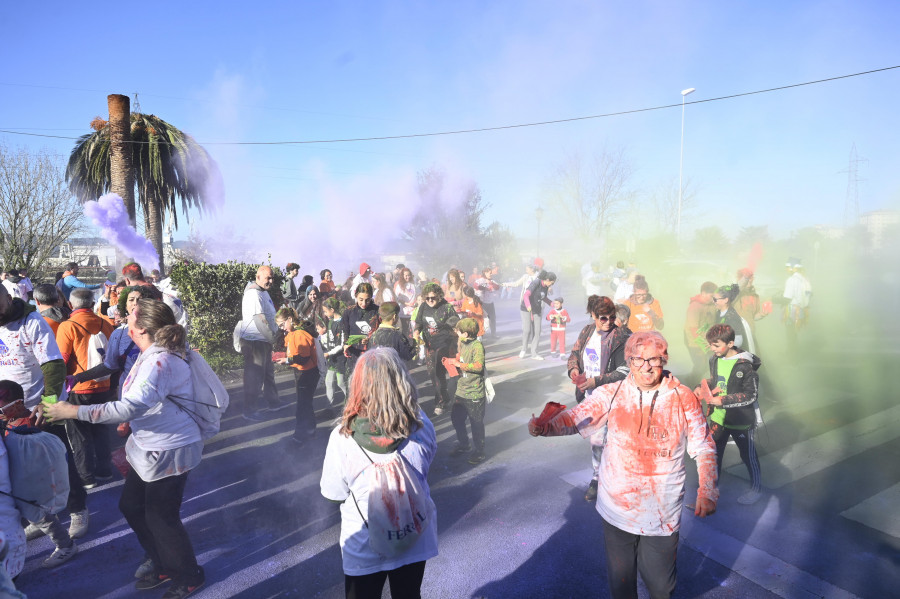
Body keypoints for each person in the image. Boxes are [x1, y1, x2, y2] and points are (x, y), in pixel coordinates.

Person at [530, 331, 718, 599]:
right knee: (621, 585)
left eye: (653, 359)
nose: (646, 367)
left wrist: (707, 490)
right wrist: (545, 427)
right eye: (638, 360)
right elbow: (576, 418)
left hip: (661, 511)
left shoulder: (683, 397)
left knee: (661, 588)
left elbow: (704, 446)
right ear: (628, 361)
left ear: (664, 359)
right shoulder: (613, 391)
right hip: (616, 507)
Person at [45, 299, 206, 598]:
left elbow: (129, 406)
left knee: (161, 516)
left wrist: (73, 412)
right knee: (131, 507)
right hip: (150, 447)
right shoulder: (153, 354)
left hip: (170, 449)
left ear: (142, 329)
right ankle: (161, 563)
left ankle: (188, 574)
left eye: (129, 318)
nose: (123, 321)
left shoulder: (162, 361)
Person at [320, 347, 437, 599]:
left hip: (365, 544)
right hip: (414, 534)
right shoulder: (422, 424)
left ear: (357, 385)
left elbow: (335, 494)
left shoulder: (342, 437)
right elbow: (427, 464)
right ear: (401, 380)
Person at [0, 283, 89, 548]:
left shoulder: (31, 321)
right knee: (22, 469)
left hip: (40, 405)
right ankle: (41, 517)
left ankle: (78, 510)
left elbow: (52, 364)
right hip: (9, 409)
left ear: (8, 297)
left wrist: (46, 402)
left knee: (57, 460)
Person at [0, 379, 75, 571]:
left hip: (30, 486)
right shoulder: (7, 421)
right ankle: (36, 525)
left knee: (42, 516)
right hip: (16, 483)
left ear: (17, 403)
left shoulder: (30, 423)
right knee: (32, 515)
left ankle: (66, 545)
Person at [566, 295, 631, 501]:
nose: (609, 322)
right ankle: (597, 477)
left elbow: (625, 370)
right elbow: (575, 354)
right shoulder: (586, 331)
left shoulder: (622, 336)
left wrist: (597, 381)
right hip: (591, 399)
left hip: (615, 398)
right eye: (603, 318)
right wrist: (574, 370)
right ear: (593, 316)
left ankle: (620, 480)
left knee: (617, 440)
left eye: (612, 317)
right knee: (596, 440)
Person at [56, 287, 117, 489]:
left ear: (71, 305)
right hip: (104, 384)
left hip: (78, 387)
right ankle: (105, 469)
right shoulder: (105, 323)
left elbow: (62, 359)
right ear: (92, 303)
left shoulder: (68, 326)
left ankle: (86, 476)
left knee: (79, 434)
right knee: (101, 428)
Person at [697, 324, 762, 505]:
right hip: (718, 418)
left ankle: (756, 489)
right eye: (711, 345)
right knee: (713, 454)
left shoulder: (745, 366)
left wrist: (724, 400)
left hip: (740, 421)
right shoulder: (715, 359)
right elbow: (716, 380)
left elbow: (751, 395)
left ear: (730, 343)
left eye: (716, 345)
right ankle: (710, 490)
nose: (712, 349)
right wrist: (701, 387)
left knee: (748, 456)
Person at [239, 266, 281, 422]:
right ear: (258, 277)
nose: (270, 281)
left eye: (272, 278)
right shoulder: (254, 294)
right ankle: (249, 410)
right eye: (267, 278)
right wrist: (272, 338)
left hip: (262, 339)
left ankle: (274, 402)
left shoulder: (262, 291)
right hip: (255, 340)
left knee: (268, 372)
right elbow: (260, 320)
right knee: (254, 376)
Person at [275, 308, 321, 444]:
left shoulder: (299, 333)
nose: (282, 328)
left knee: (302, 407)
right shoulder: (292, 333)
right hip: (302, 371)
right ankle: (310, 431)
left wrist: (287, 360)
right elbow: (290, 350)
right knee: (305, 404)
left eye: (282, 324)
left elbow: (304, 357)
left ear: (290, 319)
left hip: (307, 373)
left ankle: (300, 436)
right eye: (279, 326)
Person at [414, 283, 459, 416]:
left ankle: (441, 402)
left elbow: (456, 326)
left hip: (445, 346)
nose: (430, 301)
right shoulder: (423, 306)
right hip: (430, 346)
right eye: (427, 298)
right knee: (433, 375)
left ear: (439, 296)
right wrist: (416, 332)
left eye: (433, 298)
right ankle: (444, 397)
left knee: (440, 373)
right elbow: (419, 323)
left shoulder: (447, 308)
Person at [448, 318, 487, 464]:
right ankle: (464, 444)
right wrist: (453, 361)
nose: (455, 332)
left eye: (457, 331)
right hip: (461, 390)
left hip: (475, 393)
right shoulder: (463, 343)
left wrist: (459, 364)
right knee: (456, 419)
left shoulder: (477, 346)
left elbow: (478, 366)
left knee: (476, 423)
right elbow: (462, 358)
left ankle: (480, 451)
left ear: (465, 333)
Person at [342, 283, 380, 377]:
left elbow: (382, 332)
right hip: (354, 353)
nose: (364, 303)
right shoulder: (349, 311)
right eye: (361, 300)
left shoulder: (377, 311)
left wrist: (370, 338)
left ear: (371, 297)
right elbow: (345, 331)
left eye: (367, 300)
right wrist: (345, 344)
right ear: (356, 296)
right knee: (353, 383)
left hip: (372, 353)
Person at [684, 281, 718, 381]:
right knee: (700, 365)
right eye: (711, 296)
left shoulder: (713, 305)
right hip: (694, 341)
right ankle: (691, 382)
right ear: (703, 293)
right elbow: (693, 330)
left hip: (708, 340)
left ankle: (705, 386)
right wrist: (704, 345)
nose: (713, 299)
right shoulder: (694, 307)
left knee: (711, 364)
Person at [519, 271, 556, 360]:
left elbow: (543, 297)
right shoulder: (536, 282)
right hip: (526, 308)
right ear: (547, 280)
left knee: (537, 331)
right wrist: (528, 306)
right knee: (527, 330)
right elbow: (526, 295)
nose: (552, 285)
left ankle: (534, 353)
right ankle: (524, 349)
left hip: (537, 308)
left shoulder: (546, 287)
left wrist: (551, 303)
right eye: (552, 283)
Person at [319, 297, 348, 407]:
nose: (325, 314)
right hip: (332, 358)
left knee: (341, 382)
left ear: (332, 310)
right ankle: (328, 406)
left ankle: (350, 401)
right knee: (329, 381)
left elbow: (341, 344)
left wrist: (328, 353)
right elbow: (330, 338)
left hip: (340, 358)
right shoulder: (330, 322)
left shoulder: (342, 323)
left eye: (326, 311)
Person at [713, 284, 755, 353]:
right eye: (713, 299)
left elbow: (738, 341)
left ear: (726, 300)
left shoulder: (732, 318)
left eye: (715, 299)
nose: (713, 301)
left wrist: (718, 345)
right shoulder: (718, 313)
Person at [781, 258, 812, 353]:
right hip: (801, 310)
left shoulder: (791, 280)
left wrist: (772, 299)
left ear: (793, 268)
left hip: (792, 311)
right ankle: (793, 354)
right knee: (793, 334)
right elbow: (809, 294)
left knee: (790, 334)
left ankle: (792, 356)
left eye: (788, 267)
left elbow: (787, 298)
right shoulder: (804, 279)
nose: (786, 269)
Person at [473, 267, 500, 338]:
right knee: (482, 319)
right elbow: (476, 286)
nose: (491, 274)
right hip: (482, 303)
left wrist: (491, 284)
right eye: (489, 273)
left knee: (493, 318)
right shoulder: (481, 280)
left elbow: (497, 287)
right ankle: (481, 334)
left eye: (491, 273)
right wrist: (485, 286)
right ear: (485, 273)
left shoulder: (492, 281)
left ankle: (493, 334)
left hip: (490, 302)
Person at [393, 267, 417, 339]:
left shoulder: (412, 285)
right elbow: (397, 298)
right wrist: (407, 303)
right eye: (405, 275)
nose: (407, 277)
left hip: (412, 311)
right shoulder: (399, 285)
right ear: (402, 276)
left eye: (409, 275)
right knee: (404, 330)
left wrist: (414, 303)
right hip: (402, 311)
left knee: (412, 330)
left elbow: (415, 296)